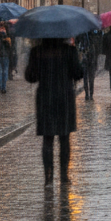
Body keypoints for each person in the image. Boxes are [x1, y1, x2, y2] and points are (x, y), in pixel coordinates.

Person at [25, 37, 83, 187]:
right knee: (64, 138)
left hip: (46, 98)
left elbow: (30, 77)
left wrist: (40, 70)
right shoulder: (69, 51)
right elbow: (78, 73)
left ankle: (48, 178)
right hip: (64, 98)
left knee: (48, 139)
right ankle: (64, 176)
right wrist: (80, 62)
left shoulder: (37, 52)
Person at [77, 30, 101, 100]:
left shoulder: (91, 33)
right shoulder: (83, 33)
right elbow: (78, 42)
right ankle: (87, 94)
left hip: (90, 58)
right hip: (86, 57)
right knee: (87, 77)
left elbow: (96, 42)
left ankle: (90, 94)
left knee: (90, 77)